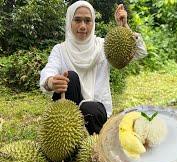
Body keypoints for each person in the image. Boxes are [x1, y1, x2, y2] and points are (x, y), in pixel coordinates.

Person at [39, 1, 147, 135]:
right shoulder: (60, 50)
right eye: (77, 20)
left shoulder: (103, 46)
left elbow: (140, 52)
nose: (83, 26)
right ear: (69, 22)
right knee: (70, 77)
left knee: (89, 107)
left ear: (93, 23)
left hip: (95, 111)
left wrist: (125, 28)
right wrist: (51, 82)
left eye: (87, 21)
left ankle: (93, 142)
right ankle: (68, 141)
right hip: (67, 115)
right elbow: (49, 70)